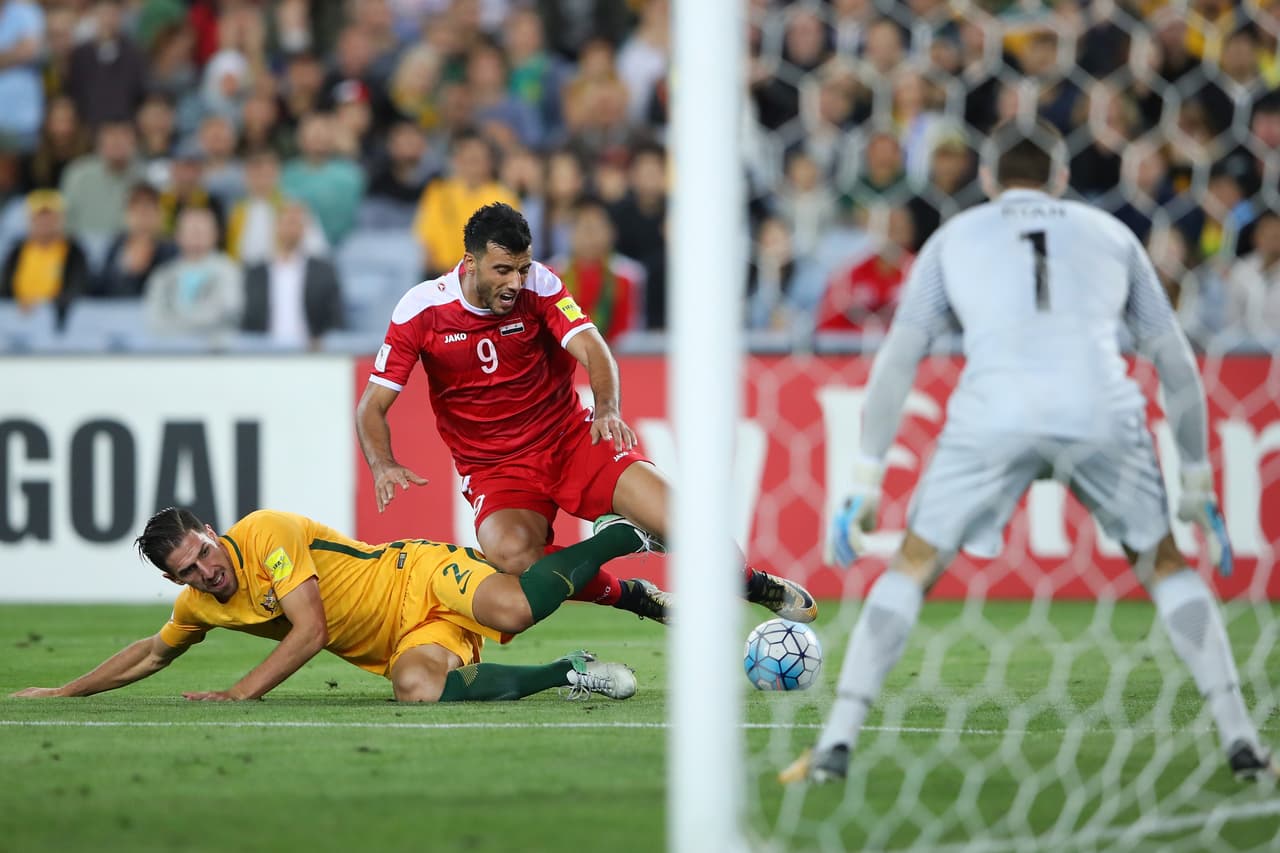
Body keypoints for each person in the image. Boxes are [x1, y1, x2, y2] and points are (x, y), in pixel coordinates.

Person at [781, 120, 1277, 785]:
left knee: (914, 562)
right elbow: (1174, 361)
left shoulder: (955, 236)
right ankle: (1242, 738)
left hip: (995, 413)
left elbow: (900, 357)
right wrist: (1196, 478)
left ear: (987, 181)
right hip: (1101, 407)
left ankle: (837, 740)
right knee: (1163, 563)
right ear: (1063, 179)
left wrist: (866, 477)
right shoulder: (1112, 234)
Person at [356, 202, 816, 627]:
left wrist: (607, 409)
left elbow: (595, 350)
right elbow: (372, 407)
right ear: (470, 263)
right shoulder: (422, 309)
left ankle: (754, 583)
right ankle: (635, 596)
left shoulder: (541, 283)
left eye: (521, 268)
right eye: (502, 271)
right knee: (512, 556)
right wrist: (383, 463)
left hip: (572, 440)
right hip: (495, 469)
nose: (515, 282)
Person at [11, 506, 656, 703]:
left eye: (206, 552)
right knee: (417, 692)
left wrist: (242, 693)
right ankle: (566, 671)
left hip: (419, 575)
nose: (209, 571)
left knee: (513, 609)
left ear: (212, 531)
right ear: (177, 578)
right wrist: (64, 693)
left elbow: (312, 629)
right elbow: (151, 654)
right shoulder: (200, 607)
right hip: (401, 641)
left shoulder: (263, 534)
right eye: (190, 571)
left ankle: (621, 535)